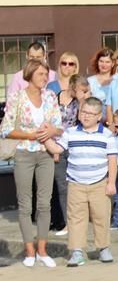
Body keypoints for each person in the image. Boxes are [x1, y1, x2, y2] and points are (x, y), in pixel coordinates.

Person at [0, 59, 62, 268]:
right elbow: (5, 129)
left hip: (46, 154)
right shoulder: (17, 97)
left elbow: (59, 126)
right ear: (30, 75)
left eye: (46, 74)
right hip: (24, 153)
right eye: (40, 74)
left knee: (44, 203)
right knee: (25, 204)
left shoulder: (51, 96)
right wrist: (30, 135)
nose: (44, 78)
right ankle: (29, 251)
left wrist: (52, 131)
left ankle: (42, 250)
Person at [44, 97, 117, 267]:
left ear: (99, 116)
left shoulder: (107, 135)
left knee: (101, 216)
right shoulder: (70, 133)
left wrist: (111, 182)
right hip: (76, 183)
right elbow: (56, 149)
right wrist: (45, 137)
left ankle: (103, 248)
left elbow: (112, 160)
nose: (86, 116)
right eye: (83, 112)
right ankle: (77, 251)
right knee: (76, 218)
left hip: (99, 182)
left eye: (91, 113)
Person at [52, 74, 91, 235]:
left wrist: (82, 101)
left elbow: (84, 122)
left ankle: (79, 221)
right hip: (57, 146)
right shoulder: (55, 98)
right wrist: (54, 149)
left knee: (77, 185)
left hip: (74, 147)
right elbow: (49, 122)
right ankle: (68, 223)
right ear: (73, 87)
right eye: (82, 90)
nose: (84, 93)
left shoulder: (79, 103)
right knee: (63, 186)